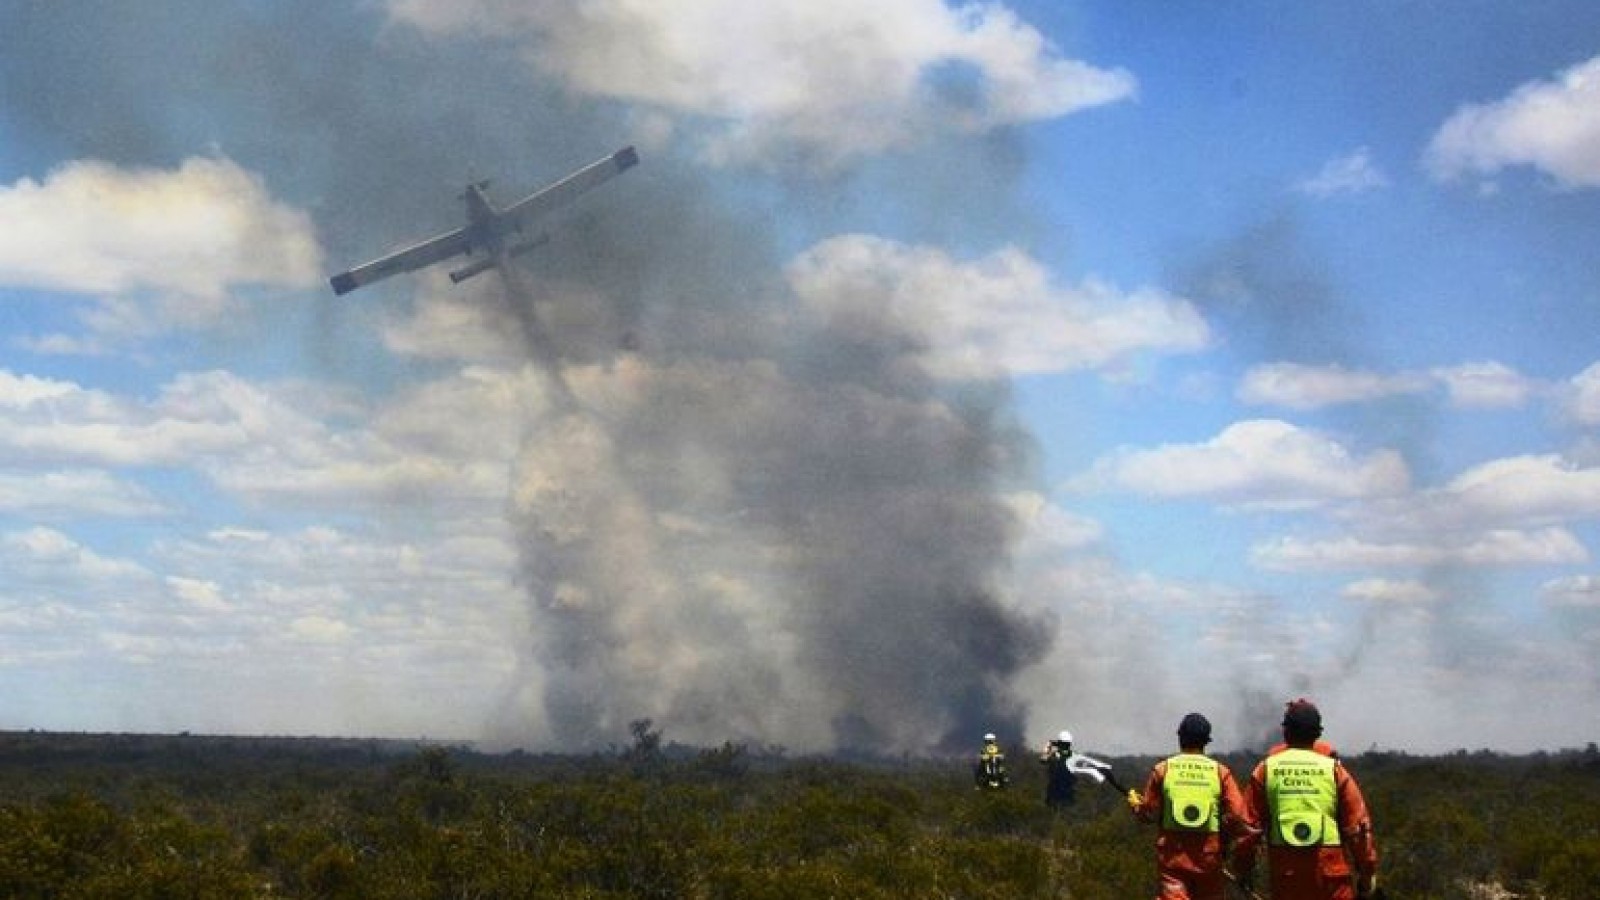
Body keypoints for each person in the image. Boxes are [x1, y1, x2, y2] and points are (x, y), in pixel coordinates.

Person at [1233, 699, 1380, 900]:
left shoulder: (1266, 769)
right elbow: (1358, 828)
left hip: (1286, 875)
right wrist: (1366, 873)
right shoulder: (1334, 770)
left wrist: (1243, 869)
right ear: (1317, 734)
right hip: (1331, 876)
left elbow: (1248, 829)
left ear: (1285, 734)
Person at [1128, 713, 1248, 900]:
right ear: (1206, 742)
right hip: (1209, 858)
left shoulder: (1162, 770)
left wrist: (1136, 804)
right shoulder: (1220, 772)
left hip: (1172, 859)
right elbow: (1239, 816)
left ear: (1180, 738)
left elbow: (1147, 814)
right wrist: (1224, 842)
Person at [1038, 729, 1112, 808]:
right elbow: (1043, 760)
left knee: (1058, 806)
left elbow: (1043, 759)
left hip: (1059, 789)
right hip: (1063, 789)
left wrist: (1048, 745)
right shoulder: (1068, 756)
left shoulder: (1057, 755)